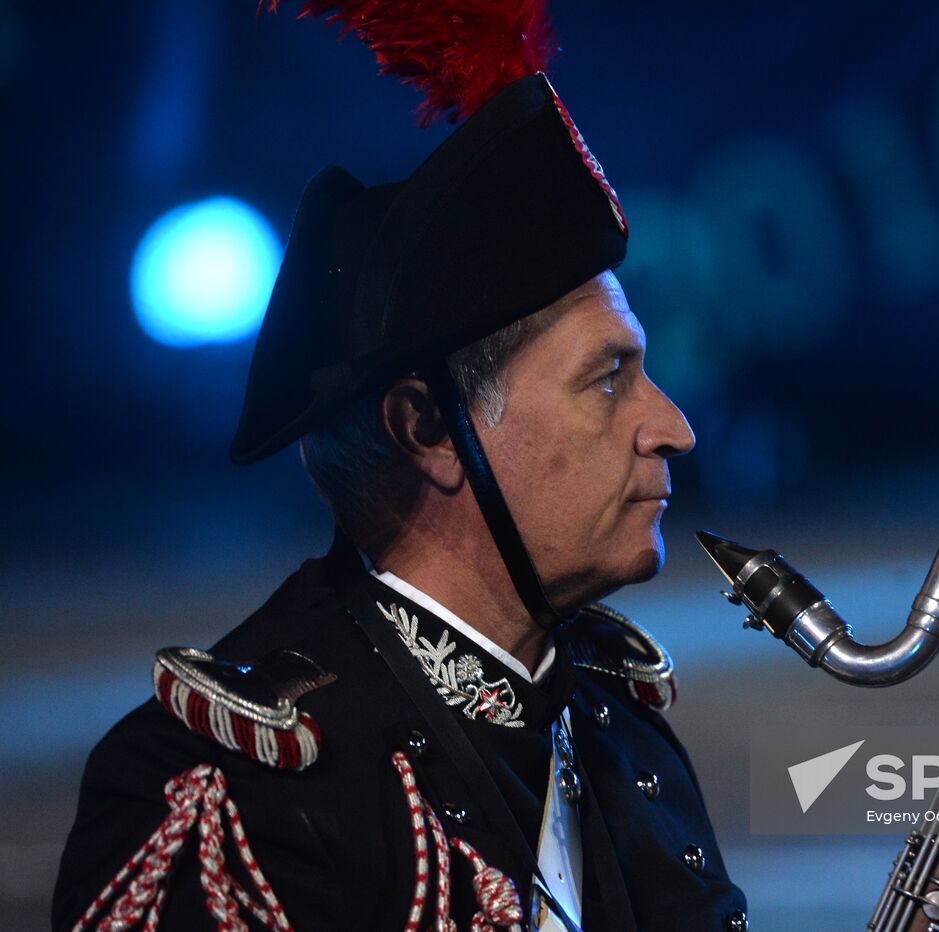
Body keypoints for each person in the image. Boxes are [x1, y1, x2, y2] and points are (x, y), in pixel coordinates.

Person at [50, 4, 748, 931]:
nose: (675, 427)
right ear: (427, 430)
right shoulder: (227, 795)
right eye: (607, 380)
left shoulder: (623, 733)